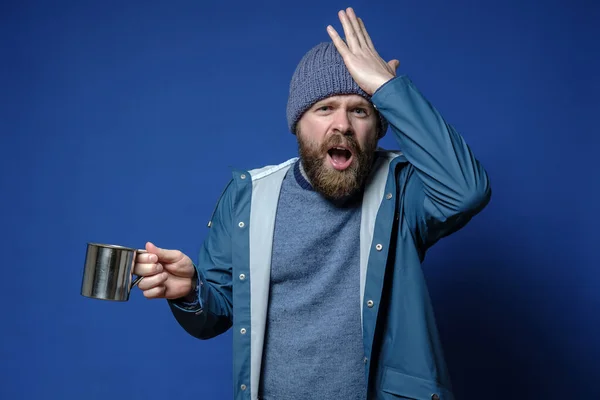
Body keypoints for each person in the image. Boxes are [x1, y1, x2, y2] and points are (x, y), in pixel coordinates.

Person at [133, 7, 491, 400]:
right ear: (298, 124)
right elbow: (215, 316)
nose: (342, 125)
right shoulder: (249, 196)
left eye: (360, 110)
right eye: (325, 109)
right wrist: (191, 292)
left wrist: (388, 89)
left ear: (378, 126)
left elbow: (466, 191)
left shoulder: (402, 190)